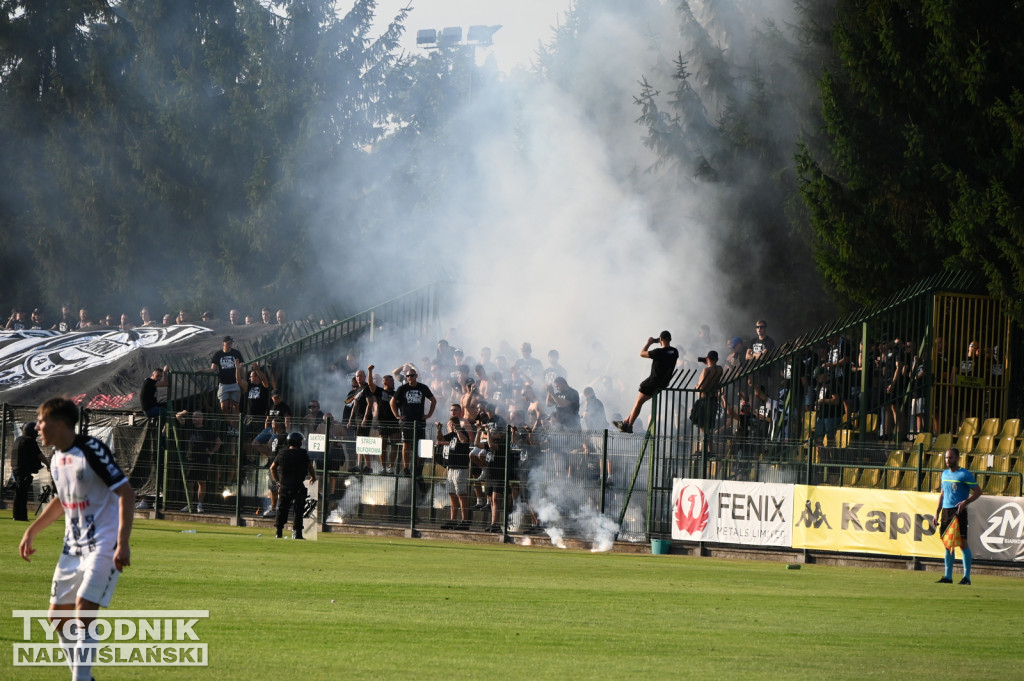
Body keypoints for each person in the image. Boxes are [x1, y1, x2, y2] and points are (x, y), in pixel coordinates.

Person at [18, 397, 134, 681]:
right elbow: (62, 499)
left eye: (41, 421)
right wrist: (32, 530)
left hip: (103, 544)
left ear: (59, 424)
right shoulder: (57, 457)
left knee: (84, 610)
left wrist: (122, 541)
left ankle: (80, 679)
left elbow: (126, 492)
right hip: (72, 547)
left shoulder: (91, 449)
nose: (37, 427)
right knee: (57, 618)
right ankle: (85, 677)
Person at [615, 331, 679, 433]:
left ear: (661, 339)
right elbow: (668, 352)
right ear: (670, 339)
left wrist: (649, 343)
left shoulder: (659, 352)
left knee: (638, 402)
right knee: (638, 402)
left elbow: (642, 353)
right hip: (662, 383)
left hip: (652, 381)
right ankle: (626, 421)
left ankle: (629, 425)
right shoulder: (675, 351)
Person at [935, 448, 981, 585]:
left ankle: (966, 578)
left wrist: (966, 502)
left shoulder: (964, 474)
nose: (948, 460)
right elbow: (942, 494)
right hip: (946, 512)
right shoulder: (944, 474)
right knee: (948, 545)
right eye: (946, 458)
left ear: (957, 458)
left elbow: (978, 492)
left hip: (958, 512)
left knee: (962, 544)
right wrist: (936, 512)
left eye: (950, 458)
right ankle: (948, 577)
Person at [390, 367, 437, 475]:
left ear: (416, 376)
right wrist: (397, 415)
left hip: (420, 421)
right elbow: (392, 402)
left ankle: (416, 467)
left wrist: (429, 415)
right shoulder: (402, 388)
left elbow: (433, 400)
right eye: (408, 376)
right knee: (406, 444)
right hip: (406, 422)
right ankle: (406, 468)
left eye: (412, 375)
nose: (410, 378)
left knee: (419, 445)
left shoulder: (423, 387)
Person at [269, 432, 316, 539]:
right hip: (298, 486)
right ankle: (297, 533)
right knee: (298, 510)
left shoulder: (281, 453)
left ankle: (278, 532)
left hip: (284, 486)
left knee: (281, 509)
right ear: (299, 442)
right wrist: (313, 477)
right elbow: (310, 467)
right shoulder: (302, 453)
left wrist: (277, 482)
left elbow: (272, 468)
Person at [436, 404, 473, 529]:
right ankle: (453, 520)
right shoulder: (451, 435)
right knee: (452, 493)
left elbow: (464, 441)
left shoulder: (462, 432)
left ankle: (465, 521)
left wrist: (457, 429)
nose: (450, 426)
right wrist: (439, 429)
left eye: (452, 424)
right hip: (451, 467)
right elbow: (440, 439)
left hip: (460, 468)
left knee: (461, 494)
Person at [12, 421, 48, 521]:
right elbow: (39, 455)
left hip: (16, 469)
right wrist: (49, 465)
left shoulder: (19, 439)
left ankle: (17, 515)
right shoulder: (30, 441)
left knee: (19, 492)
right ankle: (21, 517)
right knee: (22, 494)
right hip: (23, 470)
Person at [210, 335, 244, 427]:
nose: (229, 345)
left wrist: (242, 380)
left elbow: (241, 367)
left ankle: (237, 427)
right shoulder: (218, 354)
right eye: (228, 343)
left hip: (235, 382)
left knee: (235, 406)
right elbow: (213, 369)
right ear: (223, 344)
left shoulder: (236, 353)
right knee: (223, 406)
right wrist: (201, 370)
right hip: (223, 383)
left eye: (231, 343)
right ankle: (231, 422)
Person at [689, 350, 724, 431]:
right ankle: (709, 443)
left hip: (704, 400)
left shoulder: (706, 370)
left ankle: (707, 443)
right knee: (708, 426)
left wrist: (696, 386)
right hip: (713, 399)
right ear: (717, 359)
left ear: (707, 358)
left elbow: (702, 387)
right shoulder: (720, 369)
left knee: (702, 425)